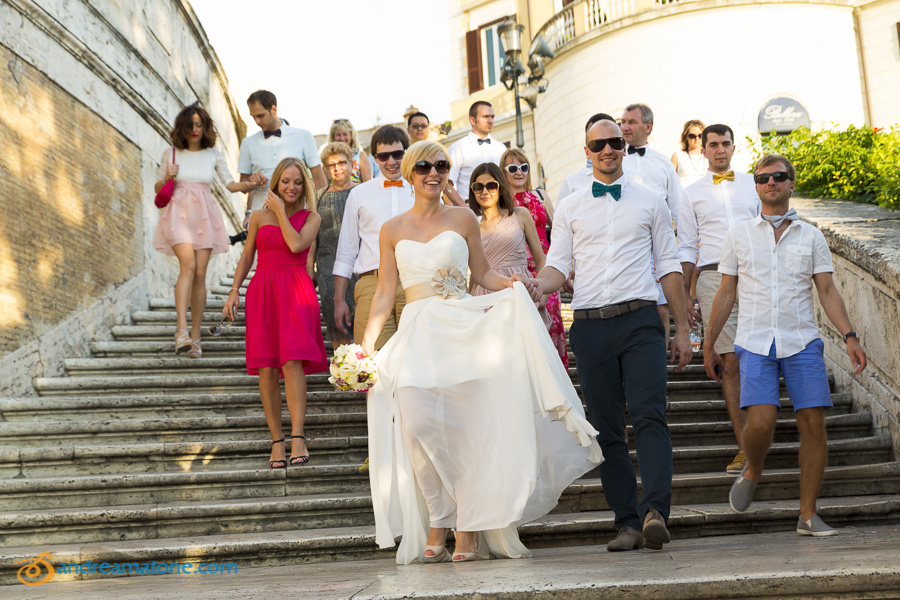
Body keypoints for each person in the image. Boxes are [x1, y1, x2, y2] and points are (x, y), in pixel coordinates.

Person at [363, 140, 603, 564]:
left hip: (462, 328)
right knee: (417, 424)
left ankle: (468, 529)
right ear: (409, 173)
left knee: (463, 429)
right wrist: (365, 348)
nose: (433, 173)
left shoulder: (462, 218)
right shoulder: (392, 228)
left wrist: (514, 286)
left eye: (441, 165)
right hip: (418, 332)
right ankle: (440, 515)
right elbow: (385, 292)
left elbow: (483, 273)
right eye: (424, 166)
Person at [531, 119, 691, 552]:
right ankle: (627, 522)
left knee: (649, 414)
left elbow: (669, 266)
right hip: (589, 325)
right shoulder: (570, 205)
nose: (607, 149)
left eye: (615, 142)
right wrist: (536, 286)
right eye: (598, 144)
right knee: (605, 429)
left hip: (640, 320)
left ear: (625, 146)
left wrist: (681, 329)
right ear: (587, 151)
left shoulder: (651, 200)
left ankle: (656, 510)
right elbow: (557, 265)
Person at [705, 154, 867, 537]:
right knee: (760, 421)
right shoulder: (738, 235)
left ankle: (807, 514)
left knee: (813, 422)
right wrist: (709, 344)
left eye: (779, 177)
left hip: (802, 340)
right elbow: (726, 293)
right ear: (756, 186)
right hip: (755, 342)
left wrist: (849, 335)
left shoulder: (811, 236)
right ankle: (755, 468)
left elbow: (826, 290)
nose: (771, 182)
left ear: (792, 184)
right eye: (763, 178)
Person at [223, 157, 327, 469]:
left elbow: (296, 246)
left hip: (295, 291)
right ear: (276, 183)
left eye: (297, 182)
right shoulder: (257, 216)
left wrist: (281, 212)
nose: (291, 187)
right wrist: (233, 291)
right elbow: (246, 257)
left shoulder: (312, 218)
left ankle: (298, 436)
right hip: (262, 292)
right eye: (286, 181)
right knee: (267, 368)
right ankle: (277, 441)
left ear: (304, 185)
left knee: (292, 362)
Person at [678, 124, 760, 474]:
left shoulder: (754, 184)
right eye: (713, 145)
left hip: (756, 274)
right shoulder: (690, 192)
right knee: (730, 360)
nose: (720, 150)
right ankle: (746, 448)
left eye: (725, 143)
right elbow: (685, 245)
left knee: (757, 354)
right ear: (703, 150)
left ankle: (761, 435)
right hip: (712, 275)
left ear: (733, 147)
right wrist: (684, 292)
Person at [153, 103, 263, 358]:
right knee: (188, 266)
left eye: (199, 125)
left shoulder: (213, 153)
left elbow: (230, 183)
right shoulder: (171, 153)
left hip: (203, 216)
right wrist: (167, 176)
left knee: (200, 274)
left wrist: (251, 183)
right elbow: (157, 189)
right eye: (190, 125)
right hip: (178, 215)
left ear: (205, 128)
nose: (194, 129)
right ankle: (180, 330)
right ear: (183, 126)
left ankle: (195, 337)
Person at [333, 125, 413, 350]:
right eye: (384, 156)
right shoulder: (359, 193)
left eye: (397, 154)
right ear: (374, 158)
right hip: (372, 284)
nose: (391, 161)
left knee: (418, 360)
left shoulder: (422, 190)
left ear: (406, 153)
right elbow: (347, 249)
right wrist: (339, 300)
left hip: (415, 282)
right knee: (372, 362)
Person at [501, 148, 568, 367]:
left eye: (524, 167)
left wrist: (563, 266)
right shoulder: (500, 202)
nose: (519, 172)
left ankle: (557, 378)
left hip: (546, 269)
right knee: (528, 327)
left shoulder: (541, 195)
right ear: (503, 172)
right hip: (517, 270)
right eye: (513, 168)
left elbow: (558, 230)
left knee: (553, 322)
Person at [621, 103, 682, 327]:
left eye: (631, 122)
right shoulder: (614, 160)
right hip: (627, 245)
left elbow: (678, 208)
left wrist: (684, 250)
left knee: (662, 309)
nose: (625, 127)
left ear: (647, 127)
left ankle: (660, 361)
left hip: (659, 247)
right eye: (623, 122)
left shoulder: (664, 163)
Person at [238, 90, 326, 228]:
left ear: (274, 109)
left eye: (260, 116)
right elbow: (242, 185)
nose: (257, 121)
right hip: (260, 218)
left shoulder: (303, 136)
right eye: (253, 117)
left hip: (298, 217)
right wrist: (251, 182)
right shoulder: (248, 143)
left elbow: (319, 178)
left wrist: (322, 213)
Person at [466, 163, 547, 308]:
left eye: (491, 186)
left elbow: (541, 262)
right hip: (484, 299)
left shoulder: (520, 215)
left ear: (500, 187)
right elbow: (476, 274)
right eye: (478, 187)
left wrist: (543, 297)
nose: (484, 191)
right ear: (473, 191)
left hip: (520, 292)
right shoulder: (473, 227)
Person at [316, 142, 359, 348]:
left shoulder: (363, 192)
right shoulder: (317, 197)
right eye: (331, 164)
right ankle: (343, 372)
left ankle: (365, 373)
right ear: (325, 168)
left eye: (341, 162)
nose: (336, 168)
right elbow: (312, 236)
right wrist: (309, 268)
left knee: (362, 321)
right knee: (337, 323)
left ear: (352, 165)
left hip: (359, 267)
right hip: (327, 269)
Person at [444, 101, 506, 206]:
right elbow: (447, 184)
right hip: (469, 208)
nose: (490, 121)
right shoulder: (458, 147)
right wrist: (461, 210)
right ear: (472, 120)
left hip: (499, 209)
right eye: (486, 117)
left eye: (492, 117)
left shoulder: (501, 148)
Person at [557, 112, 616, 202]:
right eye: (598, 142)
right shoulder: (571, 183)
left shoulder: (635, 177)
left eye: (612, 141)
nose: (607, 150)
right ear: (587, 150)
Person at [328, 119, 372, 184]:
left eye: (345, 134)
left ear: (351, 135)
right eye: (338, 135)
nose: (342, 138)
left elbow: (368, 185)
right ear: (333, 137)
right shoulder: (328, 158)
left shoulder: (360, 156)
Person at [671, 120, 708, 188]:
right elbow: (670, 181)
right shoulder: (677, 156)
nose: (696, 138)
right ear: (686, 136)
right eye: (692, 136)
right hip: (684, 196)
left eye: (700, 135)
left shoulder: (709, 155)